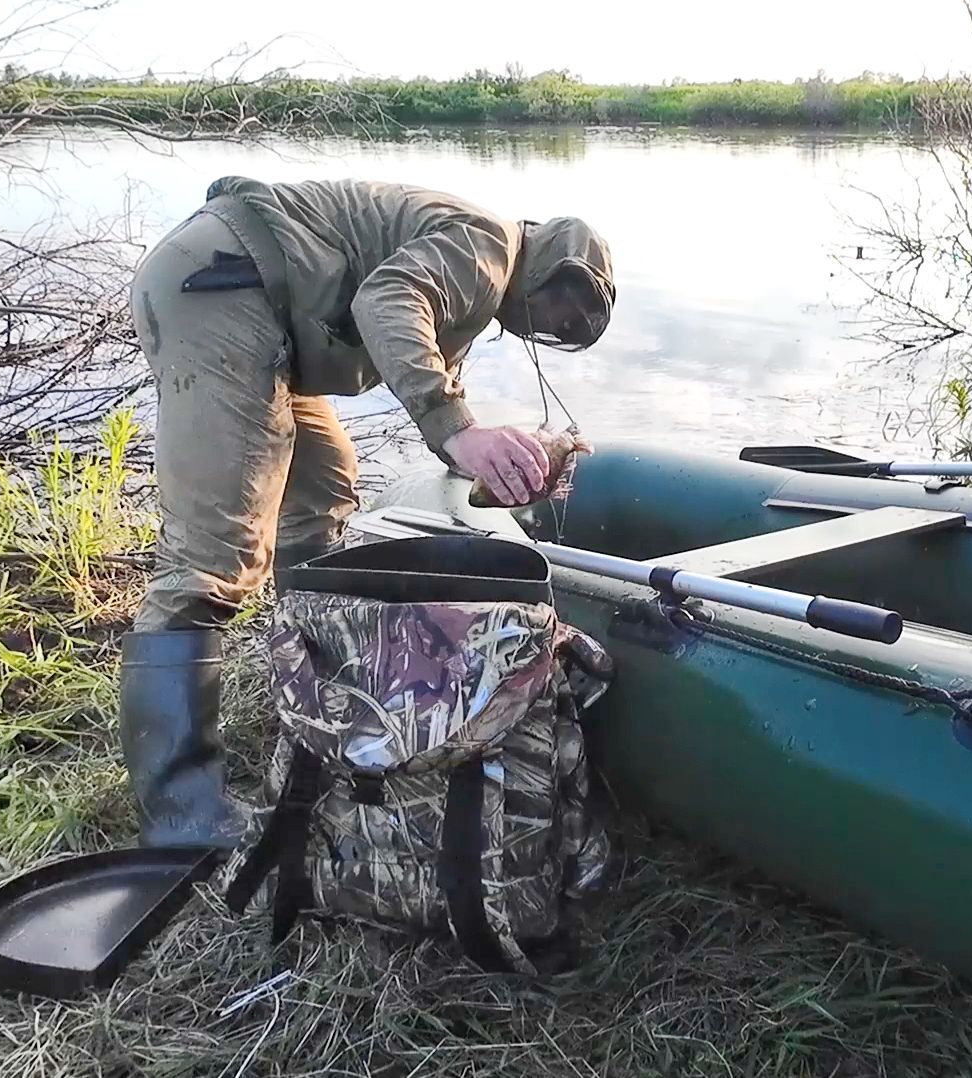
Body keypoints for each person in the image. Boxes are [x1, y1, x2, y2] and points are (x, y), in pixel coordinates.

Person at [118, 176, 616, 847]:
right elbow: (386, 301)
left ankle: (307, 698)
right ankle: (182, 818)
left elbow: (440, 406)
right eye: (563, 308)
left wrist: (515, 458)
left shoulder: (473, 284)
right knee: (213, 557)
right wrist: (459, 427)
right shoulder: (489, 247)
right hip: (227, 289)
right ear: (550, 267)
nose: (556, 326)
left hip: (255, 306)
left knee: (323, 487)